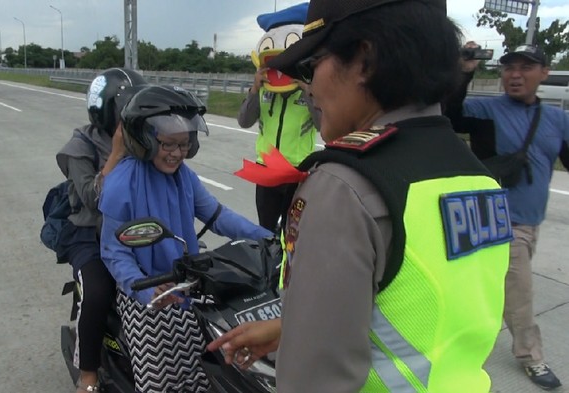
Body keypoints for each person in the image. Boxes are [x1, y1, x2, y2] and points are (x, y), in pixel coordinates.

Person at [209, 0, 513, 392]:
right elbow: (417, 309)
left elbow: (316, 381)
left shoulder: (344, 186)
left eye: (312, 64)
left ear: (364, 60)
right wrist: (293, 328)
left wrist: (305, 337)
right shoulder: (476, 175)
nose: (310, 86)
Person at [98, 84, 273, 393]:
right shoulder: (120, 185)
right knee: (162, 384)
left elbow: (219, 216)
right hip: (148, 296)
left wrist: (271, 240)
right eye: (168, 145)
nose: (178, 153)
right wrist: (145, 292)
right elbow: (114, 251)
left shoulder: (184, 176)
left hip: (190, 286)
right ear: (144, 140)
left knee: (204, 373)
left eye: (184, 144)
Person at [444, 42, 568, 390]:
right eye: (509, 67)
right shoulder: (486, 109)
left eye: (526, 67)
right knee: (519, 292)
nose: (515, 75)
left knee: (494, 289)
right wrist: (464, 71)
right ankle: (532, 357)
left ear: (544, 73)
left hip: (532, 220)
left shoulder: (558, 119)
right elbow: (450, 113)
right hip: (495, 219)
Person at [55, 67, 147, 393]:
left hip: (135, 230)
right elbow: (94, 200)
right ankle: (88, 376)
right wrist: (119, 152)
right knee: (97, 293)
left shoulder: (144, 140)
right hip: (89, 235)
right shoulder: (79, 148)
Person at [238, 2, 320, 233]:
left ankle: (287, 269)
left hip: (298, 171)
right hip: (266, 169)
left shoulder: (311, 90)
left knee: (292, 232)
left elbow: (322, 126)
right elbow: (244, 121)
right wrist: (254, 90)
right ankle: (268, 267)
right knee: (265, 230)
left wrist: (307, 90)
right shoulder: (263, 89)